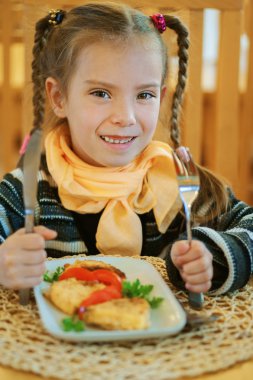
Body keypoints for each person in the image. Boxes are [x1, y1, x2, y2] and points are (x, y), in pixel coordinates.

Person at [0, 2, 252, 296]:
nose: (126, 117)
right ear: (59, 97)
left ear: (162, 96)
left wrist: (213, 255)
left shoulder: (178, 184)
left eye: (144, 94)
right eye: (101, 93)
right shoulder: (27, 189)